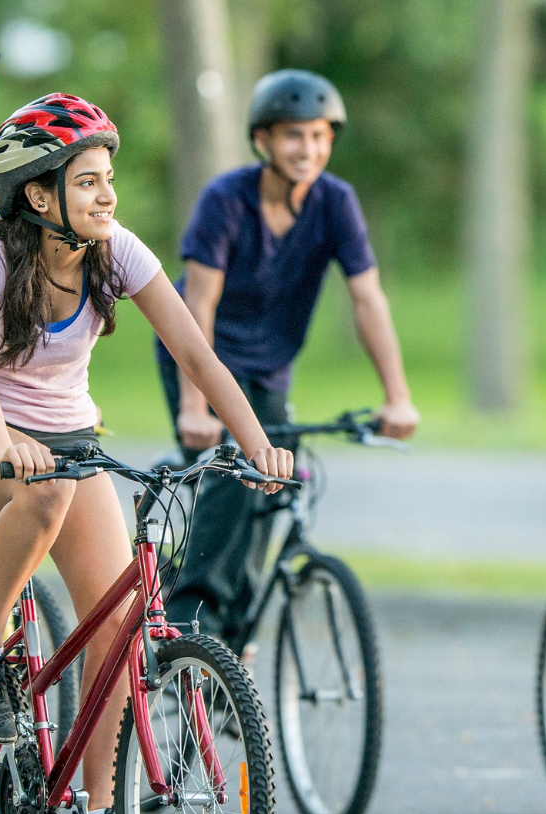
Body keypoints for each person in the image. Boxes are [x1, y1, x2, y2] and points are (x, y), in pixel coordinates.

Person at [0, 93, 293, 814]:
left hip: (69, 444)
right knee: (44, 494)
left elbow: (199, 356)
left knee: (119, 620)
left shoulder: (115, 250)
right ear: (38, 194)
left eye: (108, 178)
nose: (107, 195)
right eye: (88, 181)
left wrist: (257, 444)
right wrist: (1, 448)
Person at [154, 69, 418, 641]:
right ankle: (188, 620)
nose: (310, 149)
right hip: (199, 353)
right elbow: (199, 303)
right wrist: (195, 408)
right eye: (296, 135)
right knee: (235, 473)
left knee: (274, 482)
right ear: (264, 140)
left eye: (321, 136)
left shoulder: (335, 203)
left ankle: (229, 639)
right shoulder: (225, 200)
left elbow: (368, 301)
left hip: (269, 368)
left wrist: (397, 397)